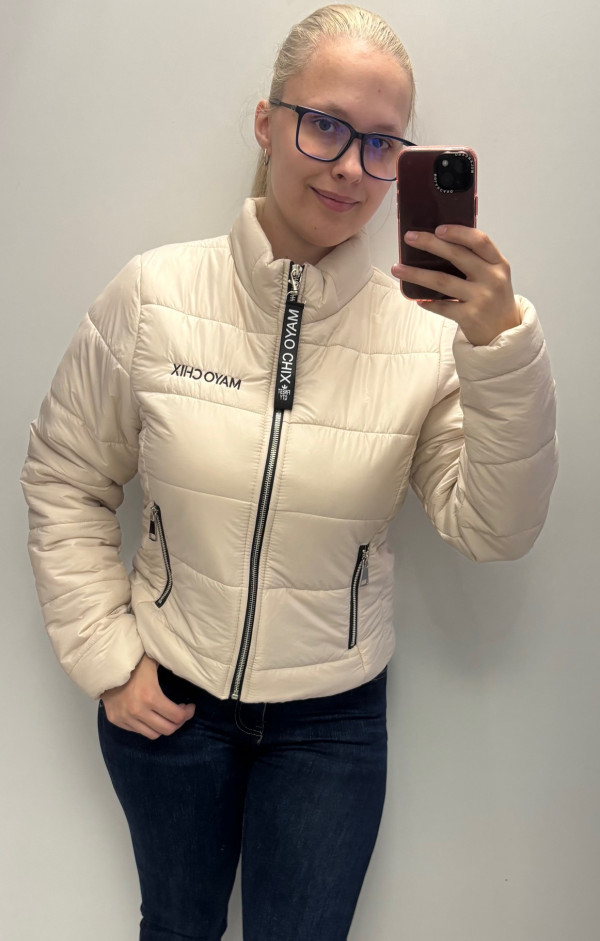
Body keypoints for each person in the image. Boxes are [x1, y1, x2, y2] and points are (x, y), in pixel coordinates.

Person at [21, 4, 558, 940]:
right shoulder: (153, 296)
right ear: (268, 124)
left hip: (331, 724)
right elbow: (65, 475)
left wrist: (500, 348)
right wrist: (106, 656)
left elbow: (494, 528)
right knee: (176, 926)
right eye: (326, 125)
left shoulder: (426, 337)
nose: (351, 166)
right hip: (172, 701)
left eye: (383, 143)